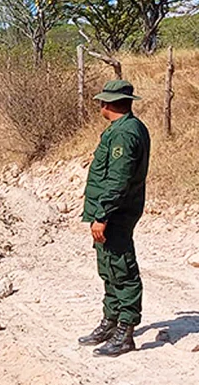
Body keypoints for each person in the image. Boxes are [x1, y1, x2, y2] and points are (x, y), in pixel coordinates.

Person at [78, 80, 151, 358]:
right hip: (111, 212)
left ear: (108, 104)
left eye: (102, 101)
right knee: (108, 266)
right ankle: (111, 321)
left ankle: (126, 331)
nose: (100, 105)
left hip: (116, 213)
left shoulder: (124, 134)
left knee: (122, 268)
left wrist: (102, 214)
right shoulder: (123, 129)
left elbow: (118, 180)